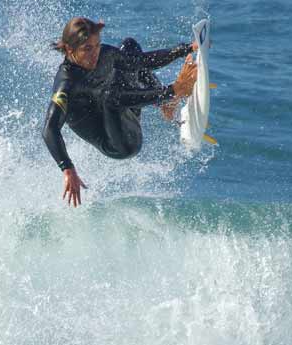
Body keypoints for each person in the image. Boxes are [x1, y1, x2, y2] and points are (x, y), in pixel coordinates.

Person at [42, 17, 199, 206]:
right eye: (87, 49)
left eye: (97, 45)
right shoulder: (66, 84)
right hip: (120, 143)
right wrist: (68, 169)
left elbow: (142, 62)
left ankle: (166, 103)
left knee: (129, 48)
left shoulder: (104, 54)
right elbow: (49, 129)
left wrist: (185, 49)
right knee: (110, 96)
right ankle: (172, 92)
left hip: (125, 113)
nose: (95, 54)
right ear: (69, 49)